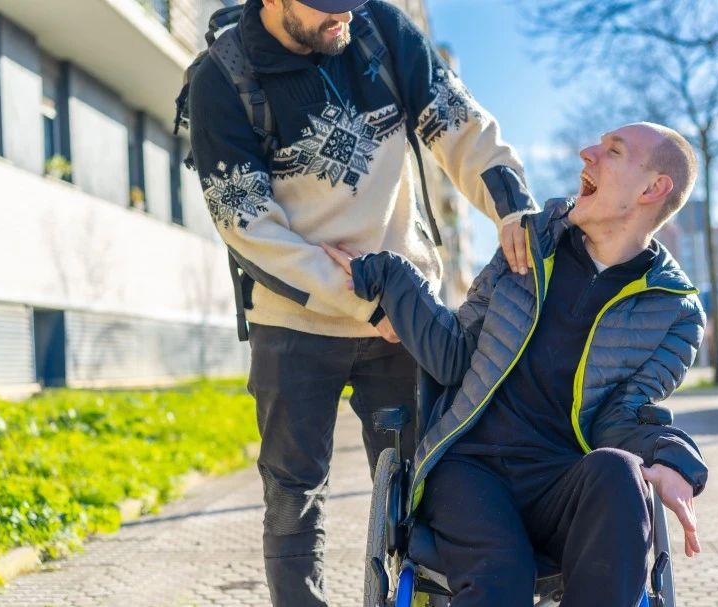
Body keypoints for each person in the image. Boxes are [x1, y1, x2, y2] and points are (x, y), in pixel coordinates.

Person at [187, 0, 538, 604]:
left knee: (427, 488)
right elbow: (251, 230)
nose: (341, 18)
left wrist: (511, 202)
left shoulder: (381, 29)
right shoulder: (220, 80)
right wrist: (369, 306)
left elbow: (460, 127)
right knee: (293, 496)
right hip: (296, 322)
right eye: (324, 8)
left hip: (404, 318)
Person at [324, 122, 709, 607]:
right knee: (501, 573)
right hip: (471, 469)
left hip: (559, 480)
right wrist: (392, 276)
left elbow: (623, 415)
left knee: (621, 472)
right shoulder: (528, 246)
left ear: (654, 188)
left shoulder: (675, 312)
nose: (587, 152)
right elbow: (454, 356)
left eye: (612, 151)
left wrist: (672, 458)